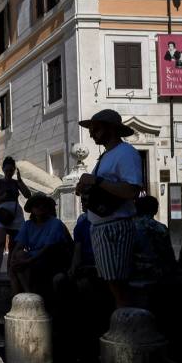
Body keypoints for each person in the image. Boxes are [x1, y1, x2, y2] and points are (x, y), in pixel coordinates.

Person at [75, 109, 143, 308]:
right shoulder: (107, 156)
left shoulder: (126, 153)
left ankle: (127, 326)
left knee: (118, 283)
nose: (91, 133)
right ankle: (122, 322)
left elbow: (131, 190)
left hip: (115, 226)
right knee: (111, 282)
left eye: (96, 128)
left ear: (110, 129)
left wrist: (96, 180)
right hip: (102, 225)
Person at [9, 193, 72, 299]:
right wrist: (12, 261)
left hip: (52, 259)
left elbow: (47, 249)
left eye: (43, 205)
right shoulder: (28, 224)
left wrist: (27, 261)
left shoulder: (55, 223)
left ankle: (29, 297)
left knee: (22, 264)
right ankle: (23, 298)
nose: (40, 207)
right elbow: (19, 245)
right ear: (32, 209)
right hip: (34, 258)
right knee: (17, 259)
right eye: (37, 205)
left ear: (48, 208)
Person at [0, 157, 32, 276]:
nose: (9, 173)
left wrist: (20, 181)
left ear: (14, 170)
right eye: (7, 170)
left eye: (11, 170)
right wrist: (2, 197)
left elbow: (28, 195)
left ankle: (10, 272)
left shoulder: (16, 182)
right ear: (3, 169)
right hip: (1, 215)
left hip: (15, 215)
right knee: (0, 243)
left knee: (14, 246)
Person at [131, 196, 176, 282]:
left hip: (132, 271)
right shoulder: (161, 228)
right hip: (157, 272)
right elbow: (168, 254)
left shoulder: (128, 227)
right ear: (155, 210)